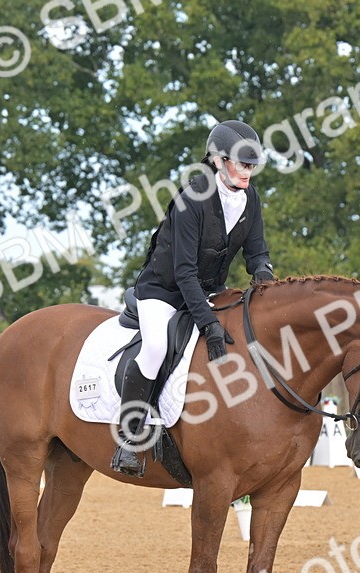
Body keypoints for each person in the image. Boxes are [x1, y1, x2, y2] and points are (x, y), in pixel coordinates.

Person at [111, 120, 276, 477]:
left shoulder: (250, 198)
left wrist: (264, 275)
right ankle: (128, 438)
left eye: (252, 165)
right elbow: (183, 272)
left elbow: (257, 251)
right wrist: (209, 323)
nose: (248, 171)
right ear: (218, 161)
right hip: (163, 291)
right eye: (241, 163)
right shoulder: (192, 198)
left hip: (207, 290)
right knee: (155, 348)